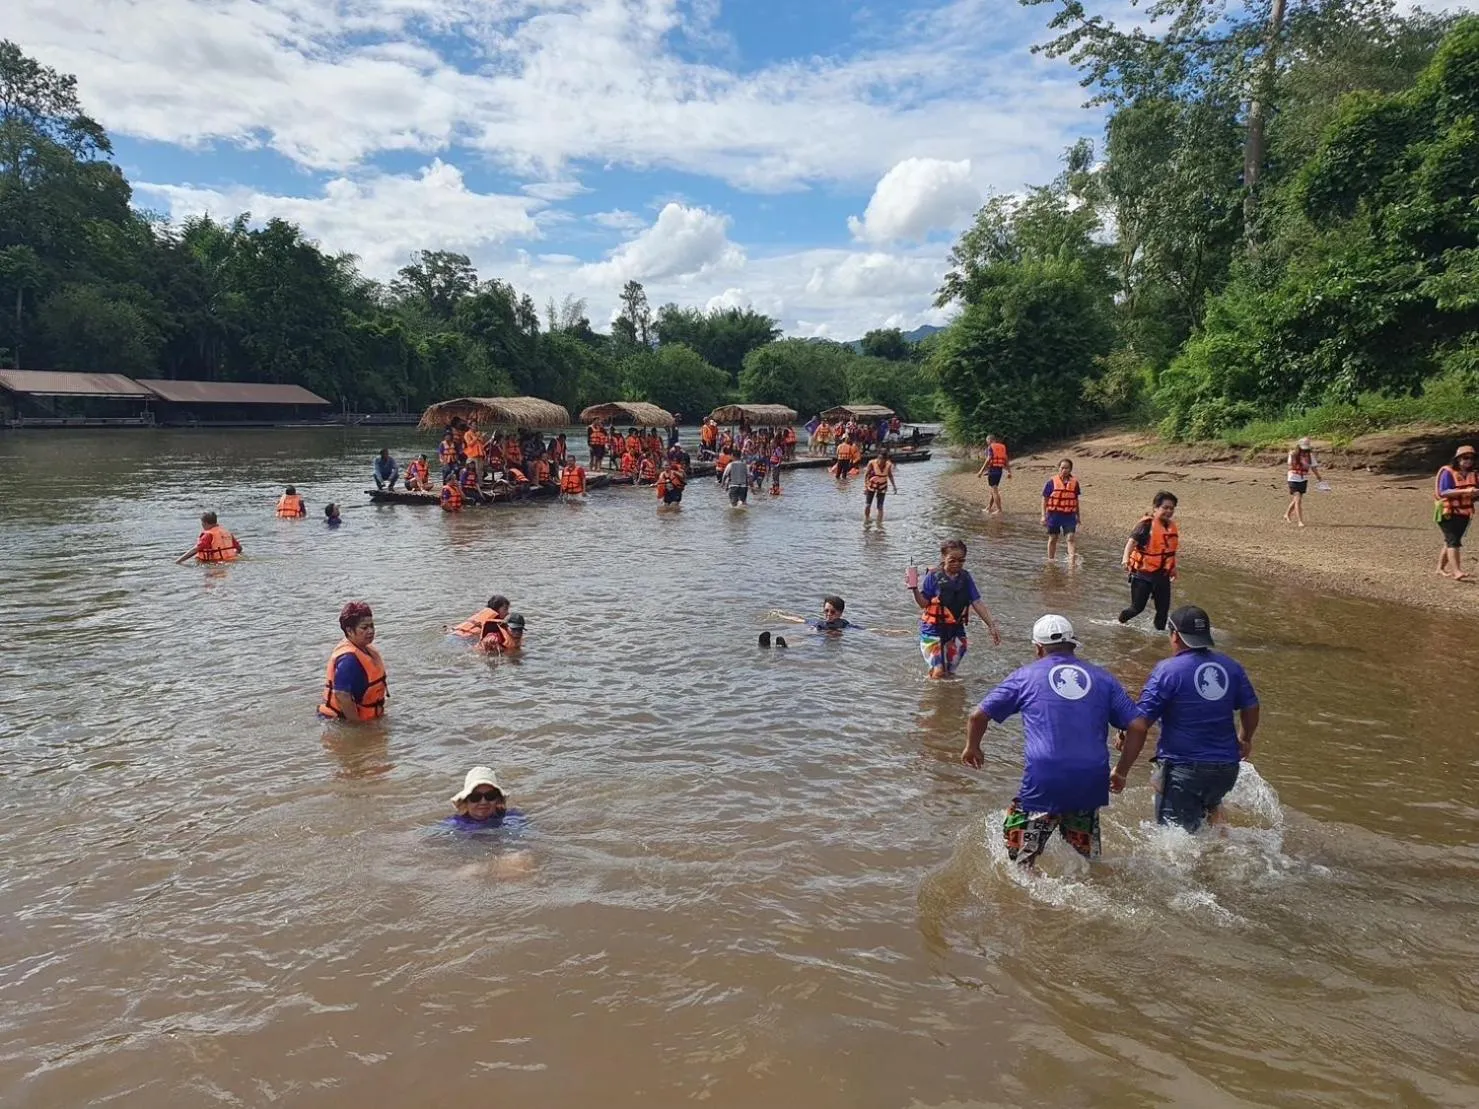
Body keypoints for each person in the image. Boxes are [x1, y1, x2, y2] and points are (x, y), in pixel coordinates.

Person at [964, 615, 1147, 870]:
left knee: (1020, 864)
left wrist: (973, 747)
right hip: (1091, 776)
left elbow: (978, 715)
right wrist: (1122, 771)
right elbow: (1138, 725)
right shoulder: (1103, 679)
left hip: (1046, 777)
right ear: (1073, 644)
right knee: (1087, 861)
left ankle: (1032, 902)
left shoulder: (1026, 676)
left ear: (1038, 647)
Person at [1114, 605, 1260, 834]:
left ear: (1175, 635)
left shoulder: (1168, 671)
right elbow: (1251, 706)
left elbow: (1140, 725)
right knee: (1209, 817)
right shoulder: (1231, 667)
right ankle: (1222, 852)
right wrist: (1245, 739)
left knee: (1173, 844)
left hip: (1183, 769)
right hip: (1226, 769)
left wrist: (1121, 770)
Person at [909, 539, 1002, 679]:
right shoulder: (933, 577)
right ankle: (934, 698)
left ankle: (947, 696)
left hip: (956, 630)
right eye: (952, 560)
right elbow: (923, 604)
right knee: (939, 672)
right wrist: (914, 589)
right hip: (933, 630)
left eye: (961, 560)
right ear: (943, 557)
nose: (957, 564)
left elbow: (977, 602)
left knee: (950, 673)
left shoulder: (966, 577)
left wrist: (991, 626)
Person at [317, 601, 387, 723]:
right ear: (349, 631)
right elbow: (342, 695)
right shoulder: (348, 660)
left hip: (368, 715)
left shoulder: (366, 649)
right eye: (364, 628)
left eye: (372, 626)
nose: (370, 631)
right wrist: (357, 727)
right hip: (337, 721)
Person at [1120, 491, 1179, 630]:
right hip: (1142, 575)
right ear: (1155, 508)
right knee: (1136, 608)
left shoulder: (1170, 527)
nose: (1169, 511)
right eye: (1165, 507)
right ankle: (1120, 622)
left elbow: (1169, 552)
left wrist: (1173, 568)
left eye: (1171, 508)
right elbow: (1131, 542)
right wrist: (1125, 559)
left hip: (1162, 575)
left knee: (1163, 611)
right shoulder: (1146, 525)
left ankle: (1159, 635)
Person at [1434, 444, 1478, 580]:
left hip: (1464, 513)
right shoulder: (1447, 472)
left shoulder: (1473, 475)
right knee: (1453, 541)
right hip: (1447, 512)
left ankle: (1439, 568)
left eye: (1471, 458)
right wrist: (1465, 491)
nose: (1468, 461)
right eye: (1465, 458)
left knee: (1451, 540)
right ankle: (1457, 571)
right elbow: (1443, 491)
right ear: (1458, 459)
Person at [442, 767, 528, 834]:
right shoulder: (455, 824)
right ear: (466, 801)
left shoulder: (512, 818)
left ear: (497, 799)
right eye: (475, 797)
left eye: (490, 796)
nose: (483, 802)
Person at [1041, 458, 1081, 565]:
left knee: (1070, 537)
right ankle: (1051, 560)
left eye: (1067, 468)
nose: (1064, 470)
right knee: (1053, 538)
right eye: (1062, 468)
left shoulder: (1074, 483)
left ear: (1070, 469)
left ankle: (1072, 562)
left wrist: (1078, 516)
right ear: (1058, 468)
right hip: (1054, 515)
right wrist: (1043, 516)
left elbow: (1076, 500)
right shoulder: (1051, 482)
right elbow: (1045, 499)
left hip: (1069, 515)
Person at [1284, 437, 1324, 528]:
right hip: (1293, 478)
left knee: (1296, 499)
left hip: (1303, 479)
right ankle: (1300, 521)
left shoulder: (1310, 455)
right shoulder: (1292, 454)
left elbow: (1313, 467)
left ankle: (1286, 514)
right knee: (1298, 499)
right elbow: (1290, 464)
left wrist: (1319, 477)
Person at [176, 511, 241, 564]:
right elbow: (239, 548)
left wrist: (178, 561)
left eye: (202, 523)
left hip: (215, 563)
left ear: (205, 523)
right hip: (231, 560)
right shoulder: (227, 532)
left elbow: (195, 550)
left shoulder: (208, 535)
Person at [977, 435, 1012, 514]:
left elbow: (989, 459)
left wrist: (981, 471)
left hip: (993, 470)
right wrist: (1009, 471)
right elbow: (1006, 459)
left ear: (990, 440)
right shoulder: (1002, 447)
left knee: (994, 491)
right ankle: (989, 507)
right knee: (993, 490)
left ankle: (999, 510)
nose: (987, 443)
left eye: (987, 441)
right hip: (1000, 470)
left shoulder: (991, 447)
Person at [863, 449, 898, 523]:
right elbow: (866, 475)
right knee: (868, 505)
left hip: (882, 487)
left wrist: (894, 486)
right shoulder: (872, 463)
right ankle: (866, 520)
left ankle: (879, 524)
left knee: (880, 506)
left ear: (886, 460)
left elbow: (890, 475)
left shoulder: (888, 465)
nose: (881, 461)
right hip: (871, 486)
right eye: (879, 459)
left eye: (883, 460)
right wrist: (865, 486)